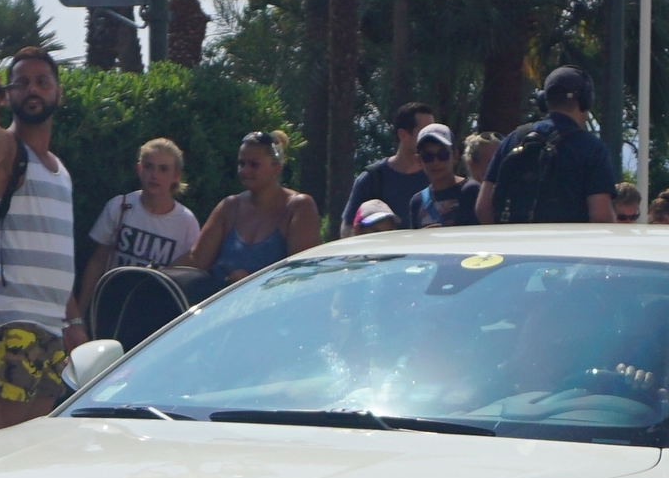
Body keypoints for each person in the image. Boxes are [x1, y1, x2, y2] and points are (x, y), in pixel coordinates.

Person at [0, 48, 83, 429]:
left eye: (43, 82)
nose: (33, 90)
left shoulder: (61, 170)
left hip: (51, 328)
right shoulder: (6, 150)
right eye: (23, 82)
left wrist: (73, 322)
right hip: (10, 321)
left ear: (58, 93)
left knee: (34, 449)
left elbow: (57, 252)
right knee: (3, 448)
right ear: (9, 94)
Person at [75, 138, 202, 317]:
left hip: (154, 312)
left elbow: (189, 276)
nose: (154, 175)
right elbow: (98, 260)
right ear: (139, 169)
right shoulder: (120, 206)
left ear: (175, 176)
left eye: (163, 169)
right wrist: (81, 313)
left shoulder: (186, 222)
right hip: (111, 304)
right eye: (149, 167)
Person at [477, 68, 616, 224]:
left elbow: (483, 207)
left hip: (514, 245)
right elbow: (600, 216)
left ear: (544, 100)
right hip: (566, 246)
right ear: (585, 100)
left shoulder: (514, 139)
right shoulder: (592, 148)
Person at [185, 131, 322, 285]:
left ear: (276, 167)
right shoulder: (229, 207)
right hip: (221, 305)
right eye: (241, 164)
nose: (245, 171)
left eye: (254, 165)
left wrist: (251, 284)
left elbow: (301, 274)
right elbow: (195, 260)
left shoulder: (299, 207)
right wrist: (159, 272)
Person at [340, 101, 433, 237]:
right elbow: (347, 229)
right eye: (425, 133)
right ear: (403, 135)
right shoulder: (373, 178)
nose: (432, 139)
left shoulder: (436, 177)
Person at [407, 123, 478, 227]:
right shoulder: (417, 202)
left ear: (455, 155)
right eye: (428, 156)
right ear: (419, 160)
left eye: (442, 155)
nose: (435, 162)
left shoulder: (471, 191)